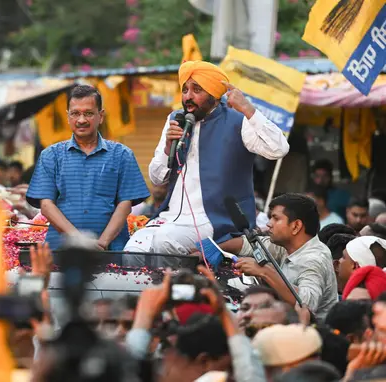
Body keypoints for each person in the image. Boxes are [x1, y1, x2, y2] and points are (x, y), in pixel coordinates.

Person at [123, 60, 289, 267]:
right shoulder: (176, 118)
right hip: (171, 216)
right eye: (185, 90)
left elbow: (279, 149)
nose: (188, 97)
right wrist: (168, 146)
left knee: (164, 241)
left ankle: (178, 294)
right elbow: (157, 178)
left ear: (213, 94)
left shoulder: (238, 120)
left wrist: (248, 109)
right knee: (132, 251)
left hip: (215, 218)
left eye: (197, 90)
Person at [26, 85, 150, 260]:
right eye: (75, 113)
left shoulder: (122, 155)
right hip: (60, 252)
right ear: (68, 116)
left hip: (111, 251)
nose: (81, 119)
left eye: (89, 113)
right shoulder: (51, 155)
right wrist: (79, 240)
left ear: (101, 116)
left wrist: (101, 244)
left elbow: (125, 205)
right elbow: (46, 206)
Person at [223, 193, 338, 320]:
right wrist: (208, 248)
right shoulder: (287, 245)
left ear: (296, 226)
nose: (269, 224)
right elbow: (245, 244)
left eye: (275, 218)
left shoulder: (314, 259)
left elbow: (305, 305)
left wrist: (265, 271)